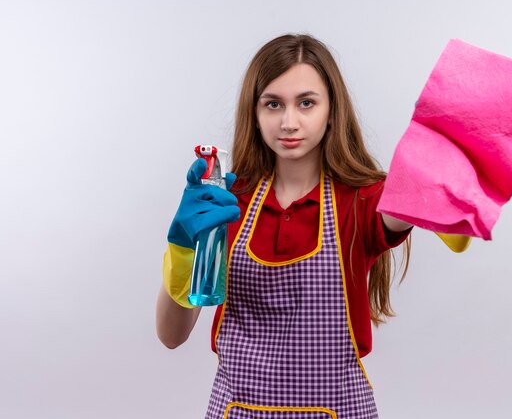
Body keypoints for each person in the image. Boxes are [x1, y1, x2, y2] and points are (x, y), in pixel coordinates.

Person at [156, 34, 467, 419]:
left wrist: (441, 156)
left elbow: (439, 204)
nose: (289, 122)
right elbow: (172, 336)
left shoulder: (364, 200)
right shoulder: (225, 203)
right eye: (273, 104)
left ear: (331, 110)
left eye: (306, 103)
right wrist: (184, 244)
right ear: (254, 113)